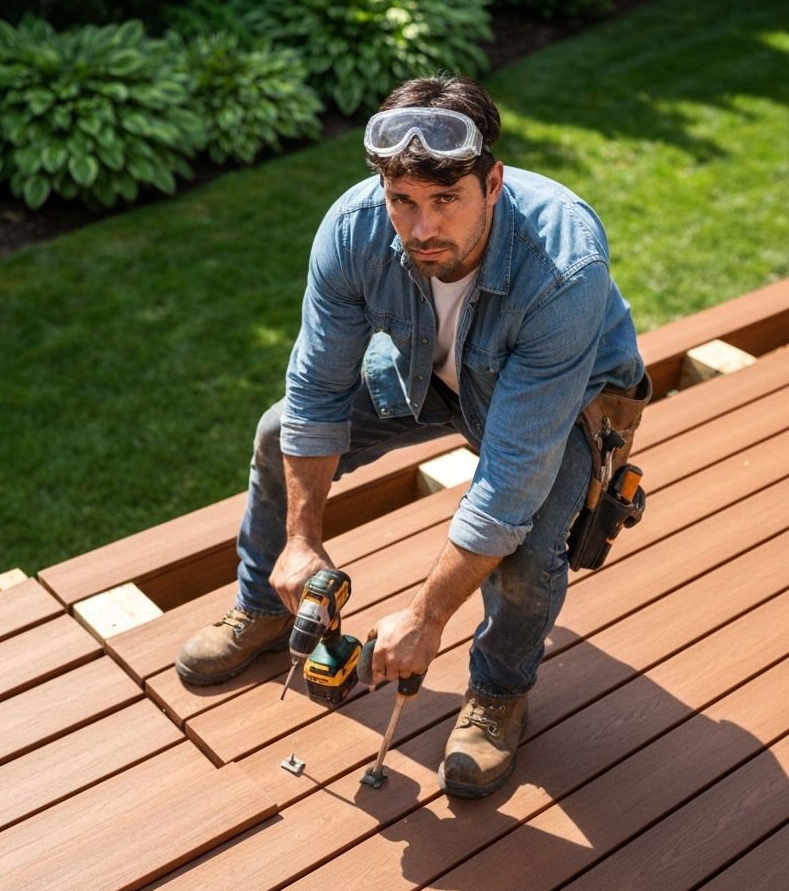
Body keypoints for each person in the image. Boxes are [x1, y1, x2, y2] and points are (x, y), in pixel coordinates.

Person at [176, 75, 649, 798]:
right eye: (403, 201)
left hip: (567, 402)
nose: (422, 228)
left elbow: (510, 480)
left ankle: (498, 692)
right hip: (427, 373)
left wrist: (428, 618)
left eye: (446, 200)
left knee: (525, 545)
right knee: (277, 434)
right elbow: (315, 394)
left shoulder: (565, 264)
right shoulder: (354, 230)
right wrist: (301, 538)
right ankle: (268, 608)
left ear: (493, 184)